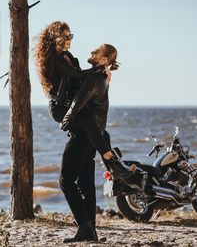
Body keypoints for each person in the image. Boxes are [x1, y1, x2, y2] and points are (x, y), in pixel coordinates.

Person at [32, 21, 132, 180]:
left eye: (70, 35)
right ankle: (113, 164)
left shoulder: (69, 57)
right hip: (59, 108)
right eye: (66, 36)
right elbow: (78, 75)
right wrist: (99, 70)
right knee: (89, 122)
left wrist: (105, 81)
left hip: (68, 106)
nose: (70, 39)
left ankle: (114, 170)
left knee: (103, 134)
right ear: (57, 38)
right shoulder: (55, 58)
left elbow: (79, 86)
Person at [59, 44, 121, 242]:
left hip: (83, 135)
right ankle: (91, 230)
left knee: (66, 179)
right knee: (85, 182)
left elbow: (78, 101)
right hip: (94, 134)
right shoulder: (102, 77)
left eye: (97, 52)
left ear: (104, 60)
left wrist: (66, 120)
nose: (92, 52)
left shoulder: (94, 78)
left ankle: (84, 227)